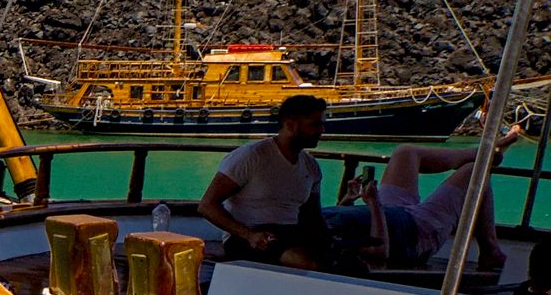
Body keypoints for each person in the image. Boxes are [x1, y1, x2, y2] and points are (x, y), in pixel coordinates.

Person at [327, 126, 520, 272]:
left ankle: (482, 153)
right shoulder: (311, 242)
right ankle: (490, 252)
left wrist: (347, 202)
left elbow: (338, 227)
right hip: (414, 232)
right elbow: (379, 255)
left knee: (405, 152)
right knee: (474, 172)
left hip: (389, 213)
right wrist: (374, 205)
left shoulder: (306, 217)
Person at [199, 94, 330, 268]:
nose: (322, 130)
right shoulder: (251, 156)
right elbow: (207, 205)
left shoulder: (311, 166)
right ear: (290, 124)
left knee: (350, 262)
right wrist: (249, 235)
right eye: (315, 124)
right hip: (249, 236)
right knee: (304, 262)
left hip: (291, 234)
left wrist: (331, 240)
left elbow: (313, 216)